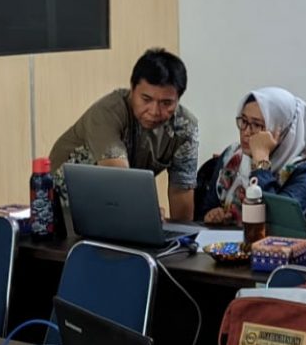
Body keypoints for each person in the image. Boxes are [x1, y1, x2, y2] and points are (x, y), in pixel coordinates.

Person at [48, 48, 199, 221]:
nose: (155, 111)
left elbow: (181, 191)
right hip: (65, 201)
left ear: (178, 99)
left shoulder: (185, 127)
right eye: (146, 99)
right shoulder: (108, 112)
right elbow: (118, 176)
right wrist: (145, 210)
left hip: (114, 202)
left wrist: (181, 234)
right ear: (132, 90)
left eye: (166, 103)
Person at [197, 88, 306, 225]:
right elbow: (204, 211)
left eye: (257, 125)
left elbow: (279, 222)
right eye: (244, 121)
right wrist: (211, 216)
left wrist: (261, 161)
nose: (246, 132)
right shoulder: (232, 157)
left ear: (283, 131)